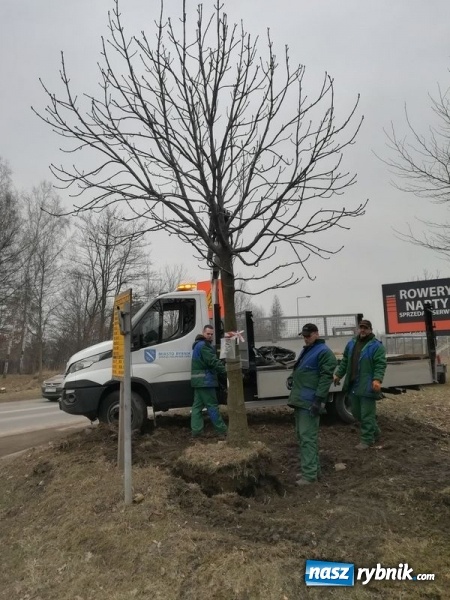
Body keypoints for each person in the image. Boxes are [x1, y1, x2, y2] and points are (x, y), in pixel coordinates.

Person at [287, 323, 337, 486]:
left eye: (308, 336)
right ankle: (313, 470)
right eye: (304, 336)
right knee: (303, 436)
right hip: (301, 399)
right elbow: (302, 369)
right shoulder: (309, 350)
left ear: (316, 334)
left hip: (309, 401)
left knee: (307, 437)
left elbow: (326, 378)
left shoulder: (324, 352)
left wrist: (318, 400)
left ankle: (309, 475)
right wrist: (292, 378)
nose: (306, 338)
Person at [333, 319, 387, 450]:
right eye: (361, 327)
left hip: (367, 384)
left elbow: (380, 364)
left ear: (370, 330)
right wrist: (338, 374)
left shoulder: (376, 346)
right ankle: (375, 432)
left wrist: (377, 379)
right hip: (353, 384)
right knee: (356, 413)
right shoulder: (352, 343)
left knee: (367, 414)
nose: (362, 330)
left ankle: (367, 440)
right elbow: (345, 361)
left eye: (365, 328)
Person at [190, 324, 228, 437]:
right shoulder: (204, 346)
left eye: (211, 334)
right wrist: (226, 371)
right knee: (212, 406)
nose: (210, 336)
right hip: (206, 381)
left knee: (197, 407)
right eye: (208, 334)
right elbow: (213, 362)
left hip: (198, 381)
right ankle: (222, 430)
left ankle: (196, 431)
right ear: (203, 333)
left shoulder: (198, 345)